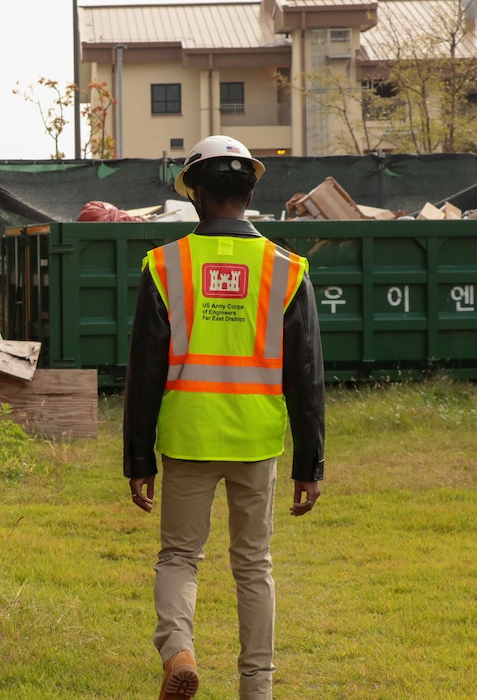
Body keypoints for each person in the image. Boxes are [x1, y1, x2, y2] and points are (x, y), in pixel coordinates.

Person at [122, 135, 325, 700]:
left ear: (196, 196)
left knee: (180, 556)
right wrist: (310, 463)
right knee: (253, 565)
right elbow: (305, 376)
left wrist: (138, 458)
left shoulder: (165, 266)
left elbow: (142, 371)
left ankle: (179, 650)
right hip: (256, 442)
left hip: (187, 436)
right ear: (251, 190)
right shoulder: (287, 269)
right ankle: (256, 689)